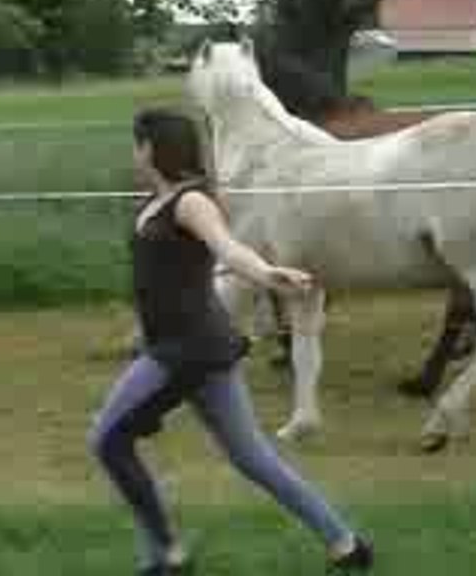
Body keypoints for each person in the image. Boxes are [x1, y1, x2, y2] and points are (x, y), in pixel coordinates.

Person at [88, 108, 373, 575]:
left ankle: (167, 554)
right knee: (252, 457)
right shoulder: (155, 200)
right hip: (190, 345)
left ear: (151, 148)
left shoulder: (191, 202)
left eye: (136, 144)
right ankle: (347, 545)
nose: (133, 153)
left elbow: (227, 248)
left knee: (106, 440)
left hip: (186, 349)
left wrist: (267, 273)